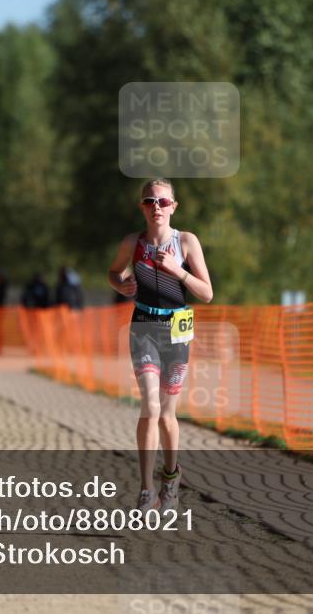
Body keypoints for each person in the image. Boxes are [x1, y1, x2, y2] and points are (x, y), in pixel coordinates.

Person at [107, 178, 213, 514]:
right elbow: (113, 272)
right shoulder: (132, 242)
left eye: (163, 202)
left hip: (177, 332)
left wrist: (177, 271)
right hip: (143, 328)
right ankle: (145, 490)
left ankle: (171, 477)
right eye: (150, 201)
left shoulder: (187, 242)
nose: (157, 207)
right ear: (142, 207)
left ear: (173, 207)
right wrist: (121, 284)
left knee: (167, 415)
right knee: (150, 408)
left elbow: (207, 293)